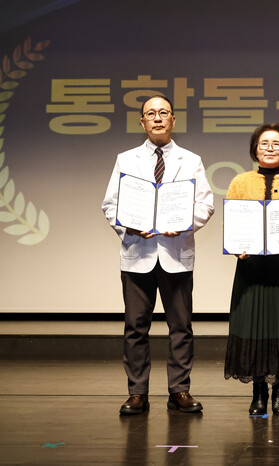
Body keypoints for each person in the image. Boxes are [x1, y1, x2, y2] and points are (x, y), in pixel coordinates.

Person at [102, 94, 214, 415]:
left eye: (163, 112)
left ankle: (179, 390)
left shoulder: (190, 160)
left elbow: (205, 204)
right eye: (151, 113)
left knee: (181, 327)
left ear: (173, 120)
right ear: (142, 122)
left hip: (176, 254)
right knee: (135, 328)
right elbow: (110, 204)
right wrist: (129, 226)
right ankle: (137, 392)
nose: (157, 118)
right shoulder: (126, 160)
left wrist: (182, 224)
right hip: (137, 253)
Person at [224, 123, 279, 416]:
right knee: (253, 327)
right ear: (255, 149)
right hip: (251, 268)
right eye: (264, 143)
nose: (270, 148)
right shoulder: (240, 182)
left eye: (276, 143)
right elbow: (231, 220)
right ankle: (259, 391)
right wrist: (235, 245)